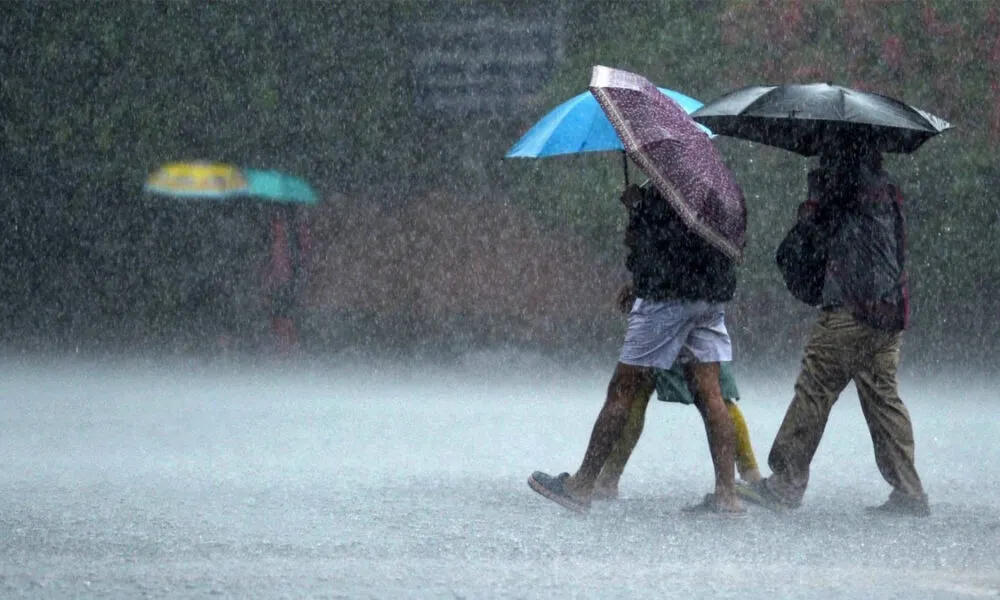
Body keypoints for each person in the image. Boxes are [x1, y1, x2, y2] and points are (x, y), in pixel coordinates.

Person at [528, 180, 745, 516]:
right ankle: (726, 495)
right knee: (711, 393)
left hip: (666, 298)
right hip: (711, 297)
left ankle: (583, 483)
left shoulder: (665, 190)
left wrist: (638, 211)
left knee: (623, 389)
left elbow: (652, 248)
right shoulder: (719, 188)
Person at [739, 137, 929, 516]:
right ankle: (909, 490)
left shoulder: (843, 188)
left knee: (815, 387)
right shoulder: (886, 189)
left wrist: (815, 197)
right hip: (890, 310)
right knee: (883, 398)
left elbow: (807, 237)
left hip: (851, 309)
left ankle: (785, 484)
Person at [591, 283, 761, 501]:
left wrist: (642, 281)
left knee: (638, 389)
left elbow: (666, 251)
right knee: (714, 396)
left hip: (669, 299)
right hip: (704, 295)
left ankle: (607, 479)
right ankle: (748, 478)